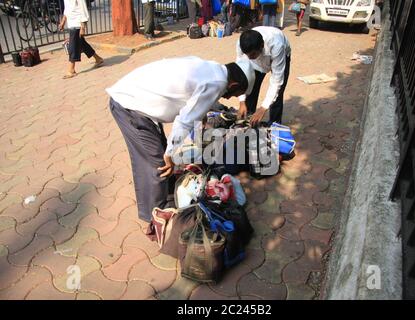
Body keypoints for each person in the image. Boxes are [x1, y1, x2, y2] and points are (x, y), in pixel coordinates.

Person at [106, 56, 255, 233]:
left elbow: (198, 99)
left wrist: (203, 113)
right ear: (233, 85)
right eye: (234, 94)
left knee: (160, 154)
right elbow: (184, 122)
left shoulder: (216, 69)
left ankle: (167, 196)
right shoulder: (217, 82)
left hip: (137, 101)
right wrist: (169, 154)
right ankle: (155, 220)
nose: (230, 97)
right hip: (130, 106)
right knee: (157, 164)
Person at [236, 26, 291, 125]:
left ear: (261, 46)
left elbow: (276, 81)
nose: (250, 58)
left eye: (252, 55)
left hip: (280, 56)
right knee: (250, 88)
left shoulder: (277, 45)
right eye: (247, 55)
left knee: (277, 94)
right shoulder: (241, 45)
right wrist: (242, 101)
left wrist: (263, 108)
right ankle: (248, 119)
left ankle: (274, 125)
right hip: (258, 59)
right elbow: (241, 73)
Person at [59, 0, 103, 79]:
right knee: (82, 44)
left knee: (73, 46)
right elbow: (67, 9)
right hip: (71, 23)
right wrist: (63, 21)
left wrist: (83, 27)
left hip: (77, 24)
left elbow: (83, 10)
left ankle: (71, 70)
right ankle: (98, 59)